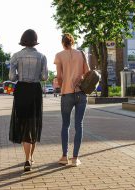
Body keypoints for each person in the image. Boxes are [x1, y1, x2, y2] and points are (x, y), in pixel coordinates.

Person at [9, 29, 48, 172]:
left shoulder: (16, 56)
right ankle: (30, 158)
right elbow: (44, 77)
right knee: (34, 123)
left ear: (23, 40)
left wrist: (20, 72)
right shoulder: (42, 57)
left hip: (21, 91)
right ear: (35, 41)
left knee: (24, 122)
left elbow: (12, 78)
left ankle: (27, 159)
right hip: (35, 91)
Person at [54, 33, 90, 167]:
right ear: (73, 42)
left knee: (65, 125)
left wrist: (62, 85)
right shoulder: (81, 54)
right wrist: (79, 78)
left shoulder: (59, 55)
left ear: (63, 43)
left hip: (66, 94)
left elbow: (59, 77)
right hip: (81, 93)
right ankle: (75, 158)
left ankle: (64, 156)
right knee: (79, 125)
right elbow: (87, 72)